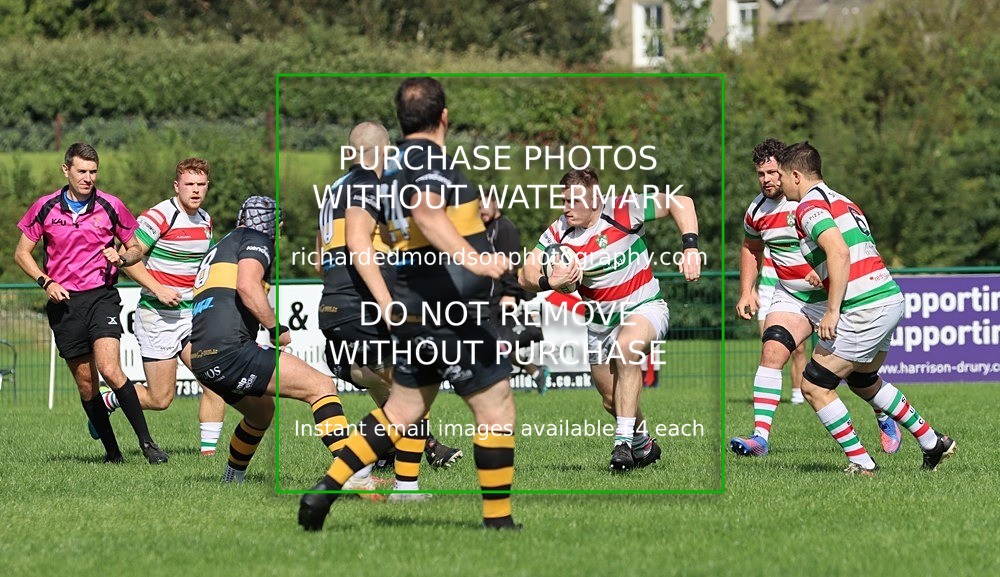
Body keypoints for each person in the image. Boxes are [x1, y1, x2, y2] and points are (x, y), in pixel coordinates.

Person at [299, 77, 518, 531]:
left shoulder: (388, 168)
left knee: (401, 412)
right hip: (447, 310)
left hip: (413, 307)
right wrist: (476, 259)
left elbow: (364, 232)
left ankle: (324, 490)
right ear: (444, 117)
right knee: (495, 406)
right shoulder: (429, 157)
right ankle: (498, 523)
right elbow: (424, 210)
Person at [775, 141, 954, 475]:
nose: (780, 184)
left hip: (864, 307)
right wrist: (824, 273)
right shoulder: (843, 200)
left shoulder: (808, 206)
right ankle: (933, 442)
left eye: (782, 176)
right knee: (863, 380)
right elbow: (853, 251)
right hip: (887, 298)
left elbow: (840, 253)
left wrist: (832, 311)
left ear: (796, 175)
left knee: (814, 385)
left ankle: (861, 462)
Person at [317, 121, 464, 500]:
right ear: (385, 152)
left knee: (397, 395)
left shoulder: (333, 191)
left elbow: (321, 260)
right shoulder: (367, 181)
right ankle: (375, 477)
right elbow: (357, 241)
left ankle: (375, 475)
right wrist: (386, 302)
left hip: (334, 305)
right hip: (361, 303)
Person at [520, 167, 701, 472]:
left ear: (594, 199)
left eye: (572, 201)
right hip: (599, 322)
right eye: (564, 201)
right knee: (609, 399)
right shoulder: (559, 231)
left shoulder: (623, 208)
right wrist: (549, 282)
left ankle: (622, 444)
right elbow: (524, 273)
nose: (566, 208)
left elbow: (680, 202)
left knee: (626, 348)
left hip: (645, 307)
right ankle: (643, 442)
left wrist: (691, 247)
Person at [730, 139, 901, 457]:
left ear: (787, 172)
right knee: (772, 350)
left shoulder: (809, 201)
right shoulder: (756, 211)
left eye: (771, 172)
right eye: (760, 174)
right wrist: (746, 290)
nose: (767, 179)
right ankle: (760, 438)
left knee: (858, 377)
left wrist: (821, 270)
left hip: (830, 298)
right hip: (791, 296)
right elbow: (750, 248)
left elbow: (842, 245)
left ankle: (882, 414)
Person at [189, 196, 371, 489]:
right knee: (321, 387)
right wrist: (276, 329)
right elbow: (247, 286)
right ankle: (354, 476)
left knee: (261, 413)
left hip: (203, 358)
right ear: (275, 225)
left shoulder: (223, 244)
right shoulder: (257, 239)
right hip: (230, 351)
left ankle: (231, 480)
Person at [14, 142, 168, 464]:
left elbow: (137, 248)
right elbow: (21, 254)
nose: (88, 177)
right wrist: (46, 281)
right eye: (82, 171)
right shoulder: (44, 207)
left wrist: (123, 256)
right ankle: (113, 454)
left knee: (110, 369)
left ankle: (148, 444)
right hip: (64, 302)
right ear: (66, 169)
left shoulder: (112, 206)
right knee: (86, 385)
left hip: (102, 296)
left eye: (93, 171)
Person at [95, 158, 227, 456]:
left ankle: (208, 459)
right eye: (189, 184)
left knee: (215, 381)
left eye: (201, 185)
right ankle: (111, 400)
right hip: (157, 316)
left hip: (192, 317)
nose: (195, 190)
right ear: (176, 185)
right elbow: (131, 253)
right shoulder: (159, 216)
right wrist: (157, 287)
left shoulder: (205, 220)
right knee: (161, 398)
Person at [479, 199, 549, 393]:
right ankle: (535, 372)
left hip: (503, 294)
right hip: (490, 294)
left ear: (495, 204)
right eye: (478, 206)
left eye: (485, 205)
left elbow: (512, 262)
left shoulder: (505, 228)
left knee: (497, 341)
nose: (481, 210)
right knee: (499, 341)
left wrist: (510, 293)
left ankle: (502, 385)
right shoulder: (488, 227)